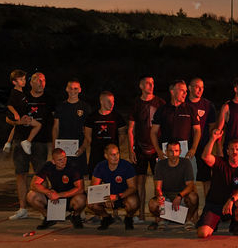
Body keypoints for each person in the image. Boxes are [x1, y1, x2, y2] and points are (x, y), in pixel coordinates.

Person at [147, 79, 200, 223]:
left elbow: (197, 131)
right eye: (182, 90)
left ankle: (192, 220)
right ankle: (161, 219)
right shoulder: (162, 110)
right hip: (166, 152)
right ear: (172, 91)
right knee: (160, 186)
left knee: (191, 187)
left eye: (185, 91)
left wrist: (194, 148)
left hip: (185, 152)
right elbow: (153, 132)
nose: (185, 93)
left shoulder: (189, 109)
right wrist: (157, 150)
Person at [8, 72, 54, 221]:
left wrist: (54, 144)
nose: (41, 82)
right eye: (37, 80)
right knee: (21, 174)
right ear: (31, 82)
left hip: (40, 142)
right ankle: (22, 209)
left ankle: (44, 209)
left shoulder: (49, 99)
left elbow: (55, 124)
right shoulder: (22, 96)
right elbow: (8, 118)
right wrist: (18, 122)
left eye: (43, 79)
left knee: (41, 174)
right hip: (21, 140)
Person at [127, 76, 165, 224]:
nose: (151, 85)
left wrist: (163, 149)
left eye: (153, 83)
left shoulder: (160, 103)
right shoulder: (136, 103)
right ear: (141, 86)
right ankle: (141, 214)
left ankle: (160, 216)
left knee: (159, 184)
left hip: (156, 149)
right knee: (139, 183)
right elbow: (131, 129)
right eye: (148, 83)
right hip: (140, 148)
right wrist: (131, 149)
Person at [198, 137, 238, 237]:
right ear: (227, 151)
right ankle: (215, 221)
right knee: (203, 233)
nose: (234, 152)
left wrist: (231, 200)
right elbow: (205, 157)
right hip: (215, 204)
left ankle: (235, 223)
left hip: (232, 205)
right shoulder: (219, 162)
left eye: (237, 149)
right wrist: (213, 139)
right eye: (232, 149)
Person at [26, 148, 86, 229]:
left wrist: (59, 195)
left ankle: (76, 216)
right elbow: (34, 184)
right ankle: (48, 217)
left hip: (70, 196)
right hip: (54, 196)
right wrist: (49, 192)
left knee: (81, 199)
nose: (63, 161)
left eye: (65, 158)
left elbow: (80, 188)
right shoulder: (48, 166)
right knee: (31, 196)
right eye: (60, 160)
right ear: (53, 161)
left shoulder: (73, 166)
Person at [147, 140, 198, 231]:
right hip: (166, 196)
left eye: (176, 151)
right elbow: (158, 187)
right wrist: (160, 196)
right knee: (153, 204)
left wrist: (179, 196)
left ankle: (188, 220)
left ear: (180, 152)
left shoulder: (186, 163)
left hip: (182, 196)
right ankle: (163, 219)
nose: (174, 154)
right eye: (171, 151)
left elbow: (190, 185)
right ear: (166, 152)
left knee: (193, 197)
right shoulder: (160, 164)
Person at [88, 143, 140, 231]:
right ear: (106, 156)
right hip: (107, 196)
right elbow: (94, 187)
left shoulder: (126, 166)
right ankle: (106, 218)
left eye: (117, 153)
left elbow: (133, 188)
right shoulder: (100, 166)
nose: (116, 157)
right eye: (112, 154)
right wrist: (105, 198)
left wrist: (117, 196)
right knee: (90, 202)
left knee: (133, 202)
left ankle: (128, 218)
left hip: (123, 196)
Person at [52, 79, 91, 178]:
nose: (73, 91)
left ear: (80, 90)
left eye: (75, 88)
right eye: (70, 88)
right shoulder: (60, 106)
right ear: (66, 89)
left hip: (79, 149)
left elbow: (88, 132)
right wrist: (54, 147)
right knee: (63, 176)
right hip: (63, 149)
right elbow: (55, 128)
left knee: (79, 178)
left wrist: (83, 148)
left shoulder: (85, 107)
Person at [83, 91, 127, 176]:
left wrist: (114, 146)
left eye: (113, 101)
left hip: (112, 155)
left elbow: (122, 135)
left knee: (113, 178)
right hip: (96, 154)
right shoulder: (92, 117)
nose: (112, 104)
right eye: (109, 101)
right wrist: (97, 145)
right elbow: (87, 135)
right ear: (101, 101)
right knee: (96, 179)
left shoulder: (117, 117)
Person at [187, 77, 218, 193]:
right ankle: (192, 209)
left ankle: (207, 207)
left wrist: (211, 146)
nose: (200, 90)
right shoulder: (183, 104)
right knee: (189, 178)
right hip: (187, 146)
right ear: (189, 88)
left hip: (203, 146)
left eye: (202, 87)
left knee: (206, 178)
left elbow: (212, 128)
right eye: (197, 87)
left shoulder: (208, 105)